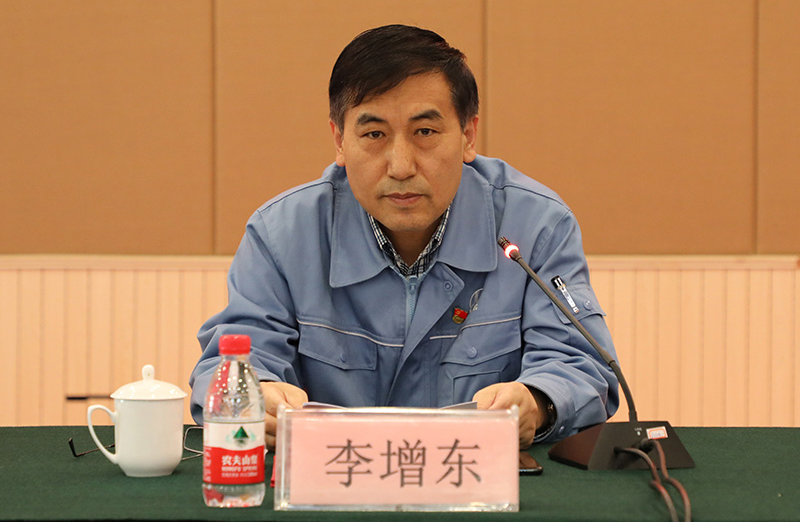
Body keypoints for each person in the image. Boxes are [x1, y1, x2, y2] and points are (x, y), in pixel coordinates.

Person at [189, 24, 619, 450]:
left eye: (425, 132)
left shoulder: (536, 225)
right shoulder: (283, 235)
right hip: (336, 476)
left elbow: (582, 364)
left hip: (475, 477)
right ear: (340, 141)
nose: (400, 166)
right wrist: (255, 395)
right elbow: (228, 366)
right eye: (374, 134)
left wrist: (539, 401)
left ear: (468, 136)